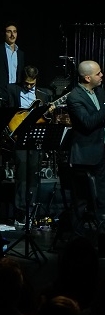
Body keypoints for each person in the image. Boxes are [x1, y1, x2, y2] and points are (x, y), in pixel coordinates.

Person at [67, 60, 105, 209]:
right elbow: (88, 122)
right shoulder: (75, 97)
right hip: (85, 156)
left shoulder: (99, 91)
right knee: (82, 201)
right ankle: (79, 232)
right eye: (98, 73)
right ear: (87, 78)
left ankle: (104, 231)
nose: (102, 75)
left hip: (102, 153)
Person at [6, 65, 54, 222]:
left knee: (34, 174)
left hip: (36, 136)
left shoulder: (44, 94)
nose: (28, 86)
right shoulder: (13, 90)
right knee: (22, 174)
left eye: (31, 84)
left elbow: (46, 119)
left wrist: (49, 113)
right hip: (19, 136)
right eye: (26, 83)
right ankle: (19, 211)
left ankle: (31, 210)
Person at [0, 21, 25, 103]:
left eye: (14, 32)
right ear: (4, 33)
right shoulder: (0, 50)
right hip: (1, 93)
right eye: (9, 32)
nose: (12, 35)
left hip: (15, 93)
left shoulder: (20, 54)